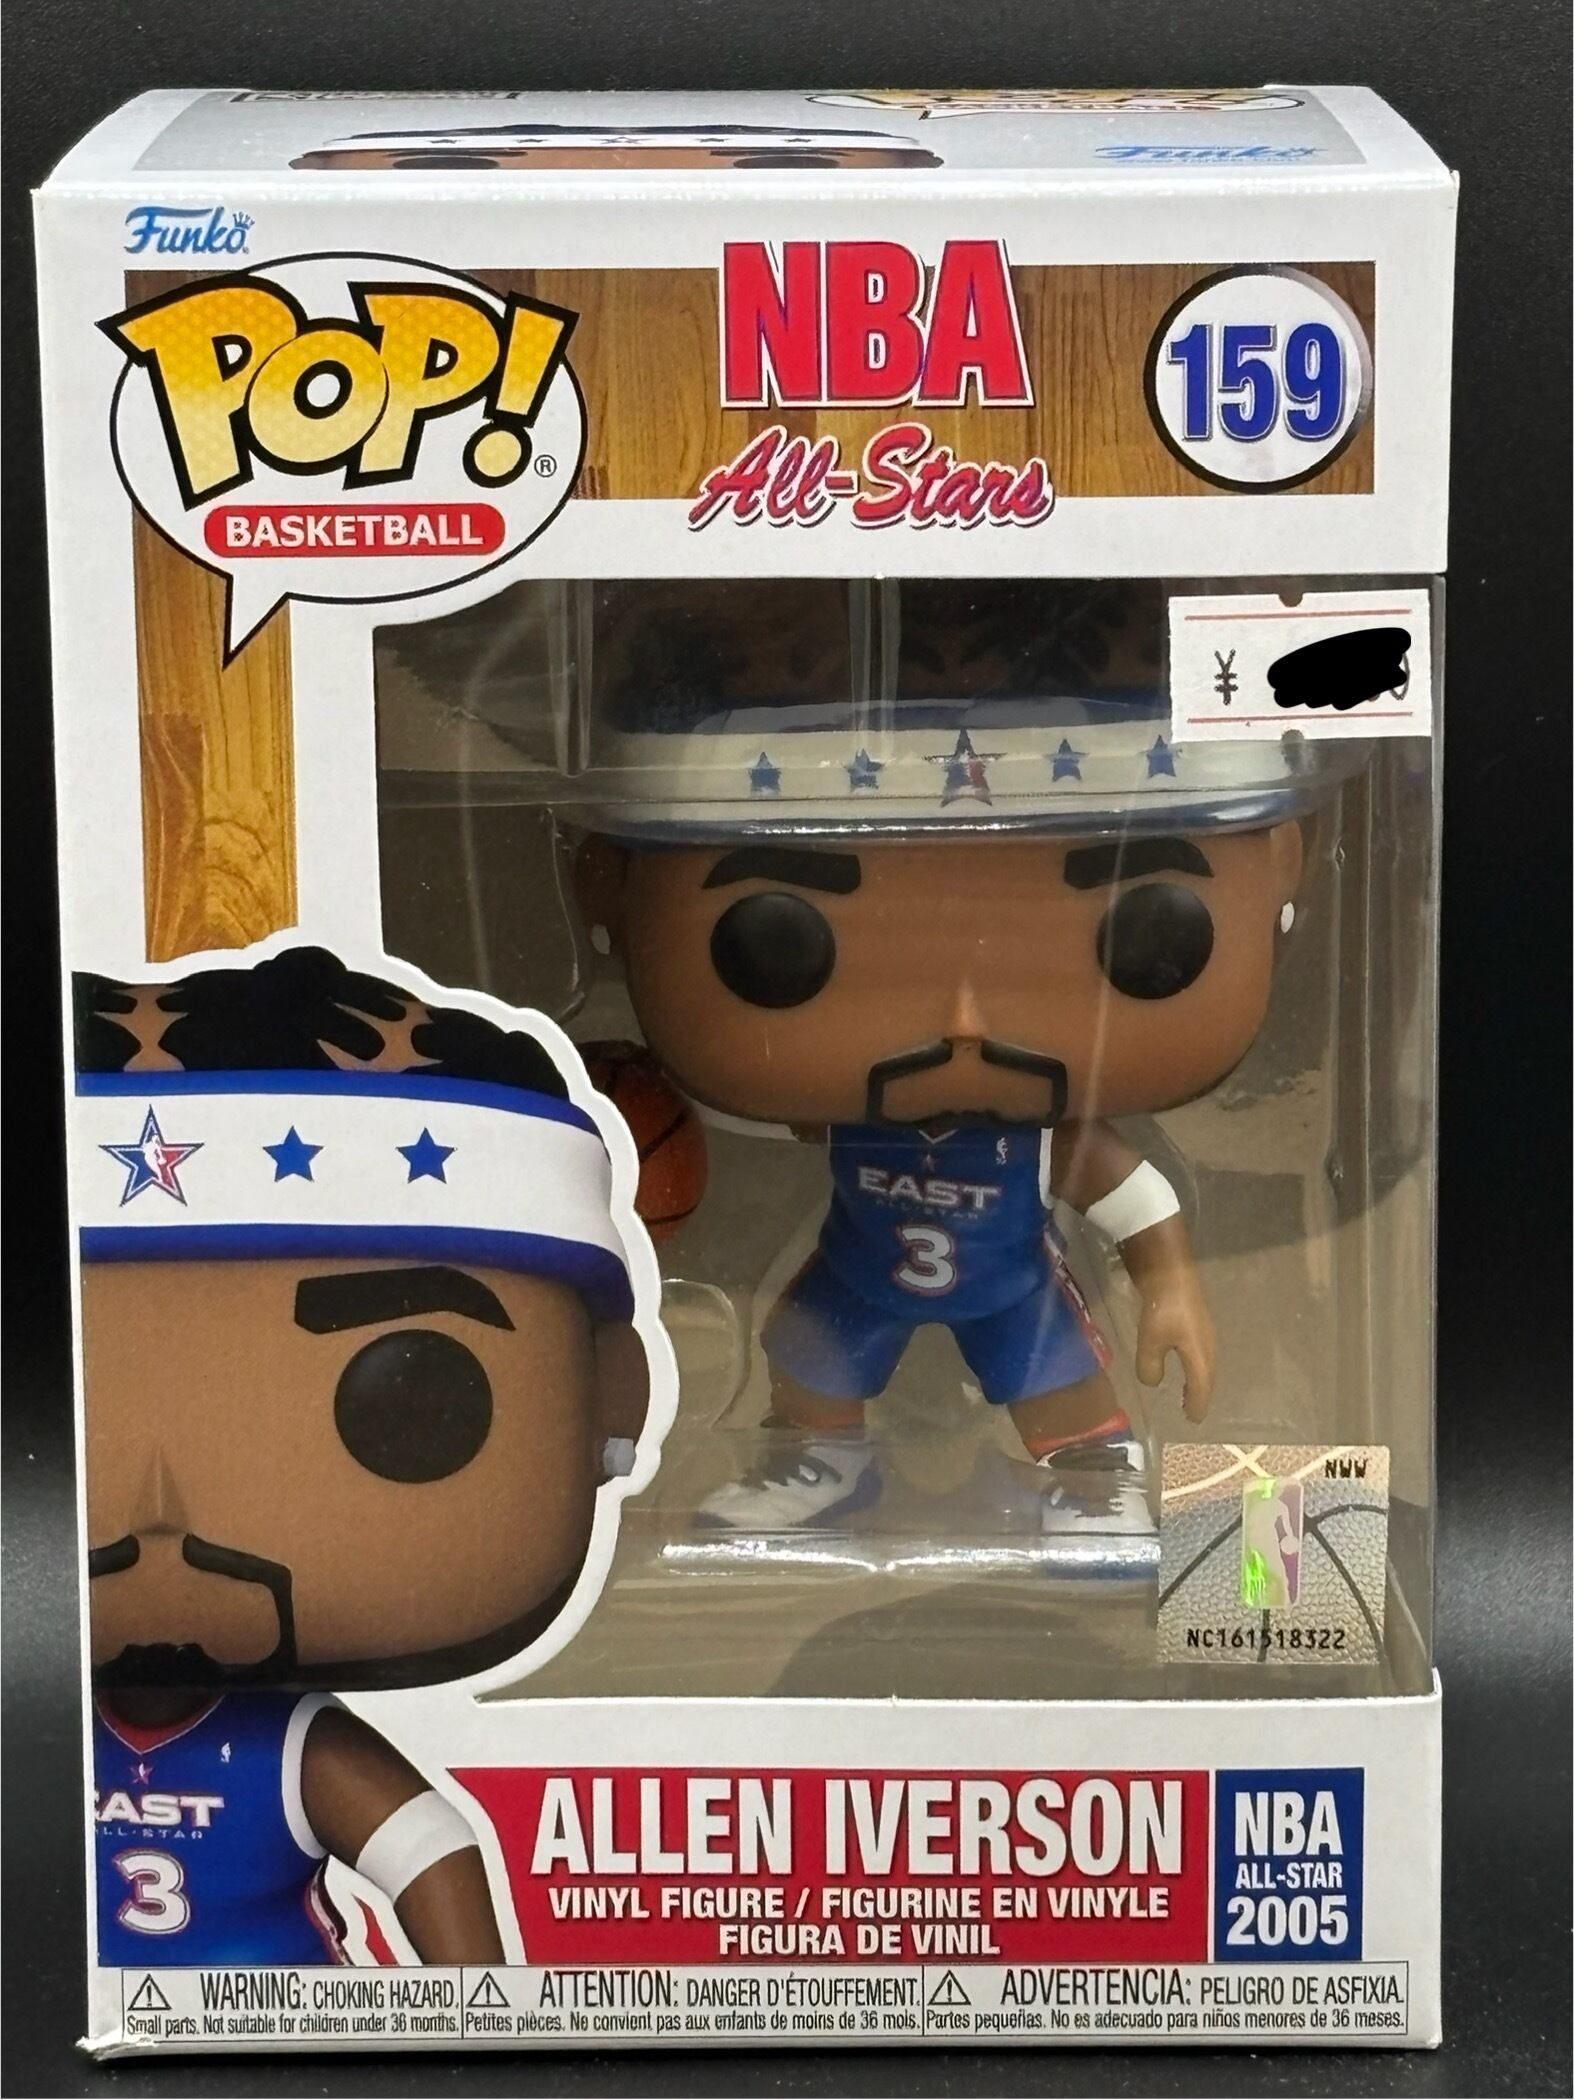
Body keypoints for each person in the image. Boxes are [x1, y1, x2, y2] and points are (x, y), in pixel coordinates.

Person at [77, 946, 650, 1962]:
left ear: (611, 1394)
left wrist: (476, 2028)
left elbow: (434, 1855)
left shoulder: (292, 1747)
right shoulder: (41, 1735)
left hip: (280, 2033)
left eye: (408, 1402)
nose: (162, 1516)